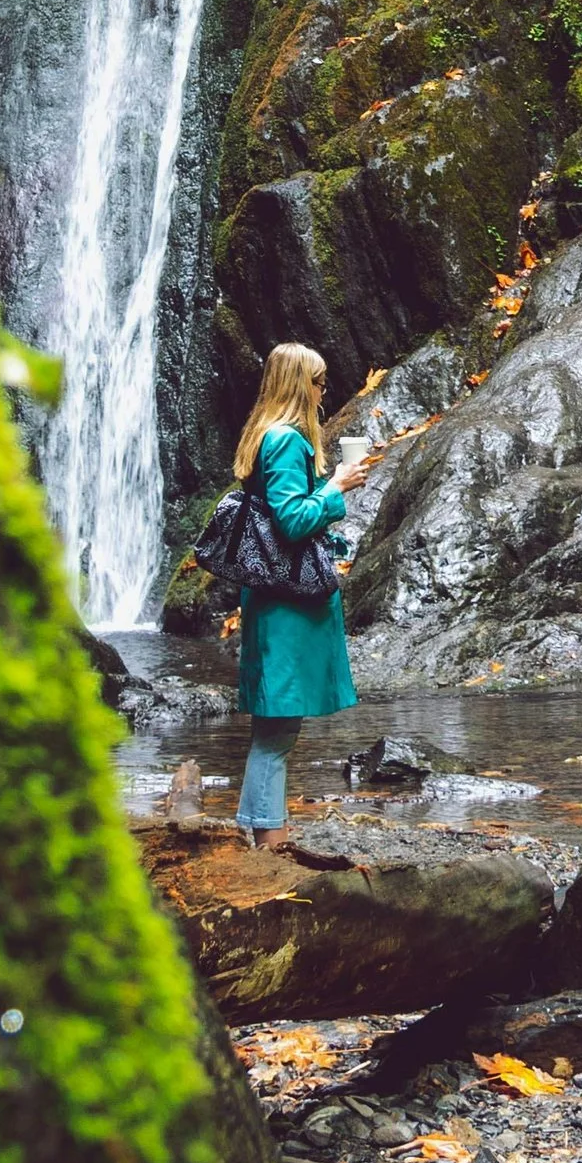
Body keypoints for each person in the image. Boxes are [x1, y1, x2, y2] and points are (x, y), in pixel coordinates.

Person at [229, 341, 356, 840]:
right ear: (298, 384)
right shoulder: (285, 440)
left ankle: (260, 826)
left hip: (275, 597)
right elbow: (290, 519)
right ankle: (269, 835)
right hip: (286, 604)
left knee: (274, 725)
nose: (325, 392)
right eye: (319, 381)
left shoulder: (267, 435)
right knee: (278, 727)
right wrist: (335, 487)